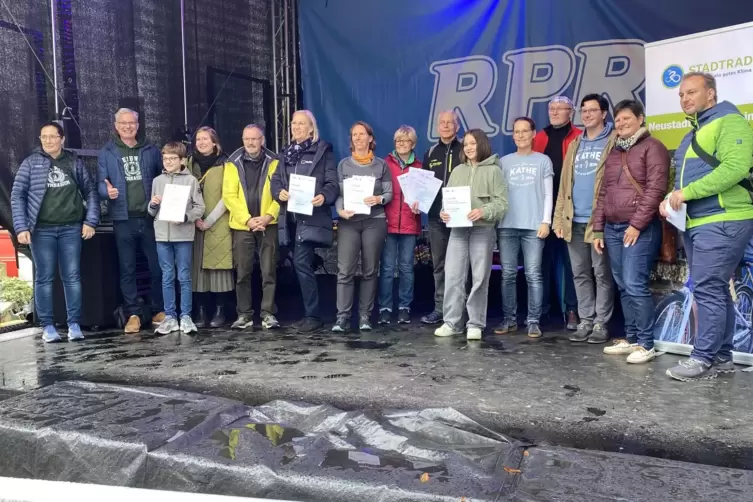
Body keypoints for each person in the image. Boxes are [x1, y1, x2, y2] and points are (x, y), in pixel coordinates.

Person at [663, 72, 753, 381]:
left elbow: (735, 168)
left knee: (708, 289)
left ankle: (702, 358)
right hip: (697, 221)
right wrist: (671, 199)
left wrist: (686, 193)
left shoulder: (730, 121)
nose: (685, 98)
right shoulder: (693, 132)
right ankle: (722, 357)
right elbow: (684, 181)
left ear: (711, 94)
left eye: (692, 92)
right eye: (681, 94)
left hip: (723, 218)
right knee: (715, 290)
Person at [592, 100, 670, 363]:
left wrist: (636, 224)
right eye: (619, 119)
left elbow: (655, 190)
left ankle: (647, 343)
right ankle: (632, 337)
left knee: (635, 284)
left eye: (627, 118)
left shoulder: (653, 147)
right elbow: (604, 192)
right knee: (623, 285)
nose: (622, 123)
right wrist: (598, 229)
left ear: (640, 119)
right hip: (612, 228)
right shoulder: (614, 150)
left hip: (639, 228)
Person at [11, 122, 100, 342]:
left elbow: (90, 192)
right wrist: (21, 227)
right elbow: (17, 195)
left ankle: (74, 325)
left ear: (62, 139)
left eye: (53, 136)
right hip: (41, 230)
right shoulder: (31, 163)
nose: (48, 141)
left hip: (71, 228)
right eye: (44, 137)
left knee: (72, 277)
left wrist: (90, 221)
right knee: (44, 278)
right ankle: (48, 327)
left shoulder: (73, 162)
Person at [552, 94, 616, 345]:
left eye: (592, 110)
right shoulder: (576, 144)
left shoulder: (613, 141)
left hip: (599, 221)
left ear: (603, 114)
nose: (587, 114)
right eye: (584, 110)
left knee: (601, 273)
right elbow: (564, 185)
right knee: (579, 273)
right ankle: (586, 320)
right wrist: (559, 218)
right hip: (573, 219)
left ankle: (601, 322)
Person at [434, 129, 507, 340]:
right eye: (466, 144)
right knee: (453, 275)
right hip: (457, 231)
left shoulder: (494, 171)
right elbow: (447, 201)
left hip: (482, 230)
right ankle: (452, 322)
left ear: (482, 144)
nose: (468, 147)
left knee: (479, 277)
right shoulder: (457, 171)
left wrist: (483, 211)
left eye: (473, 143)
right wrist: (443, 213)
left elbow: (502, 204)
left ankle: (475, 323)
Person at [271, 110, 339, 333]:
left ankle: (313, 315)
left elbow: (332, 183)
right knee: (302, 265)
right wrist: (279, 192)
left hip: (310, 217)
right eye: (293, 123)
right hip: (288, 219)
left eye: (302, 124)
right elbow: (276, 183)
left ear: (312, 128)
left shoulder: (323, 151)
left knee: (301, 263)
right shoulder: (285, 153)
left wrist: (324, 196)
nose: (296, 127)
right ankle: (309, 313)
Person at [97, 108, 165, 334]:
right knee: (127, 269)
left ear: (138, 125)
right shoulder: (107, 152)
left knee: (157, 267)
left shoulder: (151, 149)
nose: (128, 126)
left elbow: (163, 178)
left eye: (132, 123)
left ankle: (158, 310)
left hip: (149, 218)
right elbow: (99, 184)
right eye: (123, 123)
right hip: (122, 219)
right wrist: (107, 193)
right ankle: (133, 314)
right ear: (115, 125)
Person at [496, 117, 554, 338]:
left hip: (533, 226)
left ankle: (533, 321)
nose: (520, 135)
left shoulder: (543, 161)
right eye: (516, 132)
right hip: (507, 225)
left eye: (524, 131)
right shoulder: (503, 162)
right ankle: (509, 319)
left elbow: (549, 193)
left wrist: (546, 221)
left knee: (533, 274)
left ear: (533, 134)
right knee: (508, 274)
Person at [333, 121, 393, 332]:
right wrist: (340, 211)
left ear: (370, 138)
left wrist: (378, 199)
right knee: (345, 271)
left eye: (361, 134)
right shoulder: (343, 165)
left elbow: (389, 194)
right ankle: (342, 318)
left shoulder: (381, 165)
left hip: (374, 221)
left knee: (369, 271)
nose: (357, 138)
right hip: (348, 221)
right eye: (354, 135)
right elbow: (339, 196)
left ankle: (365, 316)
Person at [223, 124, 280, 330]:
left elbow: (280, 193)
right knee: (243, 272)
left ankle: (268, 314)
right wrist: (247, 219)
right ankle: (244, 314)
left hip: (268, 224)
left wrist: (268, 216)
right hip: (242, 225)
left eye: (254, 139)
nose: (250, 143)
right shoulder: (232, 163)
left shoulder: (275, 161)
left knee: (269, 271)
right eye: (246, 139)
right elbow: (228, 196)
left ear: (262, 140)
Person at [533, 96, 581, 329]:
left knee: (572, 264)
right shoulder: (539, 137)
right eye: (551, 108)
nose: (554, 112)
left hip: (569, 211)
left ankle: (572, 310)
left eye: (559, 109)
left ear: (570, 112)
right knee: (541, 263)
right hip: (542, 212)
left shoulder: (579, 136)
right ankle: (541, 310)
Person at [148, 142, 205, 334]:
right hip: (162, 234)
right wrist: (153, 204)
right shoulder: (157, 181)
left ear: (182, 160)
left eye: (173, 158)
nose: (168, 162)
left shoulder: (191, 181)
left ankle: (186, 316)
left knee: (184, 275)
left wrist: (186, 217)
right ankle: (170, 316)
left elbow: (200, 207)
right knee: (167, 276)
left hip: (183, 235)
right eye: (165, 158)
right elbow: (151, 210)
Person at [188, 127, 232, 328]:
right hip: (194, 223)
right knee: (197, 270)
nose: (201, 142)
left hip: (218, 222)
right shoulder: (188, 163)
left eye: (205, 139)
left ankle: (220, 311)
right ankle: (200, 311)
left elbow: (228, 196)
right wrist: (194, 217)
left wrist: (210, 220)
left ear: (215, 142)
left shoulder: (226, 164)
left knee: (219, 270)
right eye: (198, 139)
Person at [421, 111, 463, 325]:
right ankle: (440, 308)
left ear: (457, 126)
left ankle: (460, 310)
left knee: (462, 266)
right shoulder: (430, 152)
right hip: (437, 219)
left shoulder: (466, 149)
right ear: (437, 127)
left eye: (450, 122)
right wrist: (417, 199)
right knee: (439, 265)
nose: (446, 126)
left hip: (461, 219)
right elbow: (424, 186)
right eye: (442, 122)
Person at [378, 125, 422, 325]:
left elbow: (425, 196)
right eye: (398, 141)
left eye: (405, 140)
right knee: (387, 268)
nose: (401, 144)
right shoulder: (384, 164)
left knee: (406, 268)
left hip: (409, 224)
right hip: (387, 222)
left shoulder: (420, 167)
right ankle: (385, 307)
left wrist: (421, 206)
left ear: (413, 143)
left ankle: (405, 306)